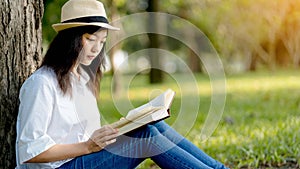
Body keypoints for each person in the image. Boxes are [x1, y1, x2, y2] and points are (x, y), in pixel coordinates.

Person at [15, 0, 229, 168]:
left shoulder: (82, 81)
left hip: (84, 160)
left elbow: (87, 137)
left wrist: (121, 129)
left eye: (101, 41)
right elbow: (30, 151)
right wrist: (87, 147)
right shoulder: (42, 83)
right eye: (90, 39)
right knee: (147, 138)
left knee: (152, 126)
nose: (96, 48)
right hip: (60, 167)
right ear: (70, 38)